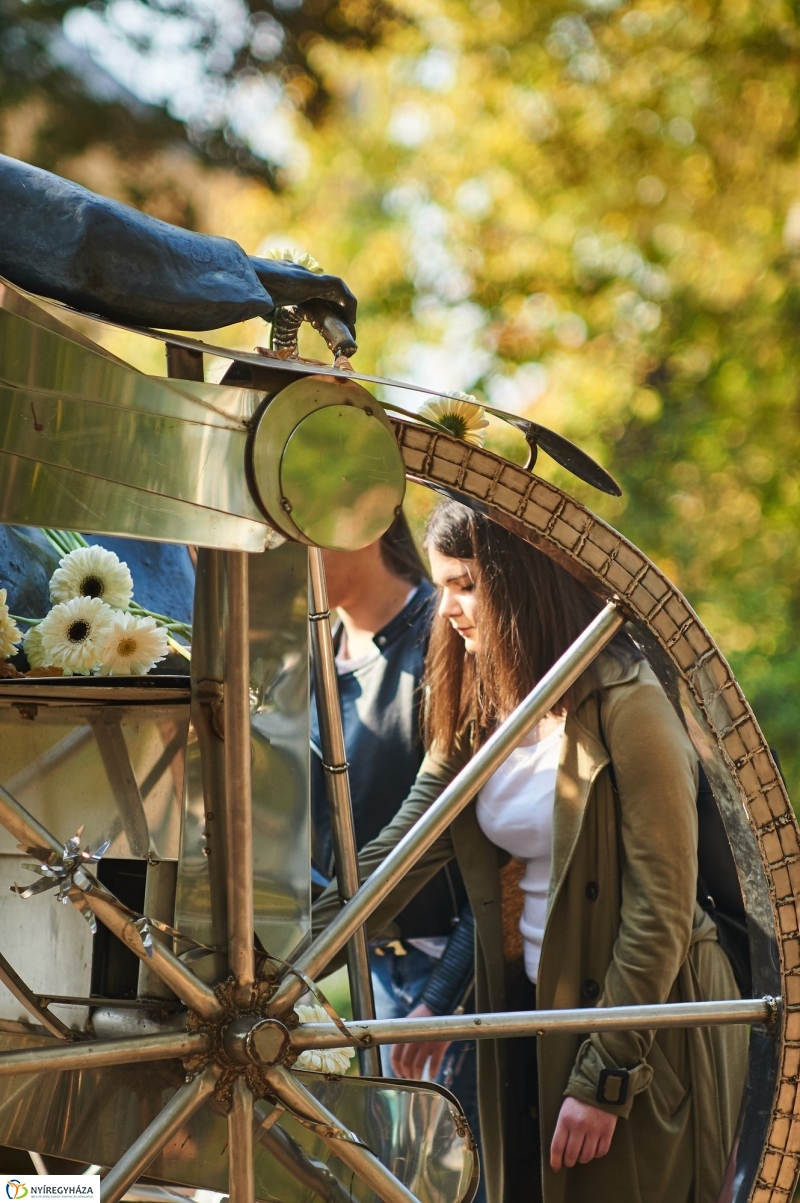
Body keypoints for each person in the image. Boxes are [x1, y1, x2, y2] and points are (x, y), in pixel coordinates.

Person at [314, 499, 748, 1203]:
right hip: (535, 1014)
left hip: (644, 1026)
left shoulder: (629, 701)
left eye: (466, 584)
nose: (447, 606)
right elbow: (400, 849)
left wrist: (606, 1076)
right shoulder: (483, 704)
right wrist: (290, 957)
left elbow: (661, 903)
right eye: (442, 583)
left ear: (521, 581)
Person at [310, 510, 485, 1197]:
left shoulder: (445, 637)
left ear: (361, 519)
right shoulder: (314, 654)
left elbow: (493, 847)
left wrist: (445, 996)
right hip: (371, 985)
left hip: (453, 988)